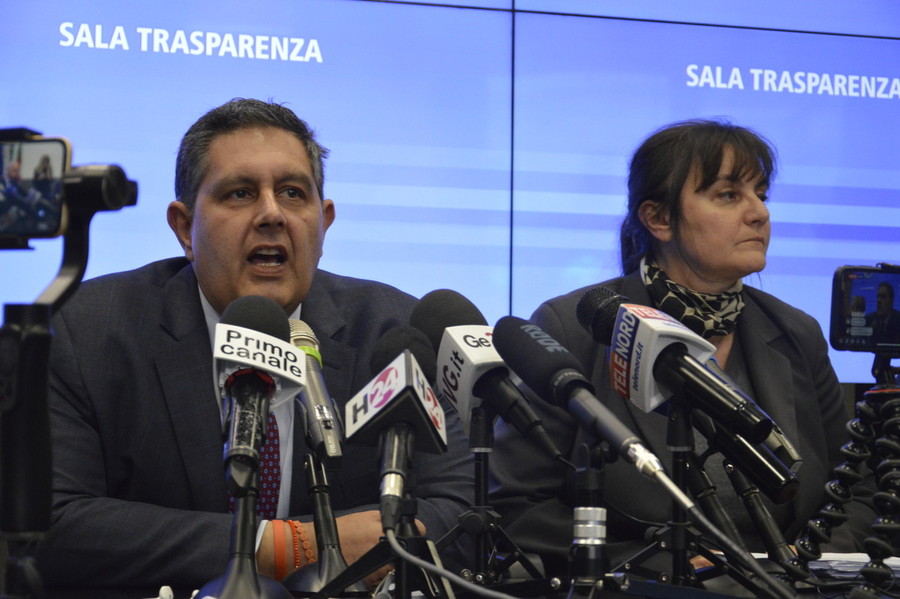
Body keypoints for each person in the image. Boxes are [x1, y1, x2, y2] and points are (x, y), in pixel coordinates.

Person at [35, 98, 473, 592]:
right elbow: (51, 522)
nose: (271, 214)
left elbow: (461, 509)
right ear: (184, 228)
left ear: (324, 222)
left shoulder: (392, 335)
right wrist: (285, 546)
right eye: (240, 193)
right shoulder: (86, 331)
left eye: (292, 193)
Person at [490, 119, 869, 578]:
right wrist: (661, 567)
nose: (759, 213)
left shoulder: (795, 332)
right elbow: (518, 505)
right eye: (728, 195)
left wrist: (809, 561)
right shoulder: (574, 327)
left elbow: (852, 493)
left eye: (761, 195)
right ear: (659, 219)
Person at [865, 282, 900, 346]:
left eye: (883, 297)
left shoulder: (898, 320)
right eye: (878, 296)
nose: (879, 300)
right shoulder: (870, 319)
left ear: (891, 300)